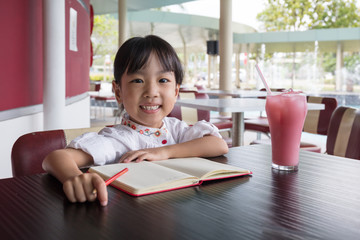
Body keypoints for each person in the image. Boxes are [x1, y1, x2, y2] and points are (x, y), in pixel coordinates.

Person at [42, 35, 229, 206]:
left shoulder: (176, 129)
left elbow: (218, 145)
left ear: (176, 91)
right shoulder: (119, 140)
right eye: (138, 80)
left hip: (178, 206)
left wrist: (163, 152)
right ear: (118, 92)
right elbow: (55, 158)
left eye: (163, 80)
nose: (152, 92)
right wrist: (74, 178)